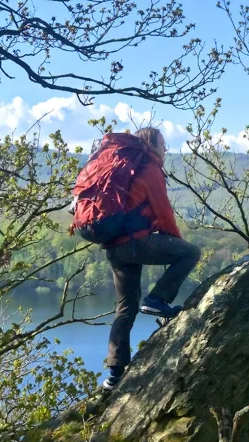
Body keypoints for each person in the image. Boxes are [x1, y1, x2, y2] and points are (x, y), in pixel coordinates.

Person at [72, 128, 201, 390]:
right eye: (163, 145)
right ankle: (157, 299)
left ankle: (115, 373)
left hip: (114, 246)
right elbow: (163, 212)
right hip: (135, 242)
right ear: (151, 144)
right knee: (191, 252)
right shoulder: (148, 168)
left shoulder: (118, 164)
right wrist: (174, 242)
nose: (165, 150)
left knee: (125, 308)